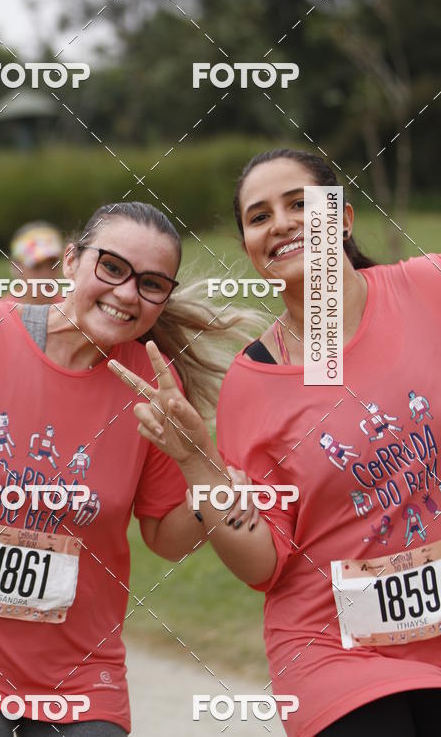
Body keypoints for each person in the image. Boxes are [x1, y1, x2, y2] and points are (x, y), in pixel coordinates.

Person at [0, 201, 261, 737]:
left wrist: (209, 482)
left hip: (82, 680)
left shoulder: (151, 388)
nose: (127, 293)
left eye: (152, 283)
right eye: (112, 267)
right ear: (71, 261)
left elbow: (165, 536)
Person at [110, 150, 441, 737]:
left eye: (298, 204)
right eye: (259, 217)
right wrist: (196, 461)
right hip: (335, 653)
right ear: (251, 248)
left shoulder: (427, 289)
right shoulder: (252, 385)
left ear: (340, 217)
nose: (281, 223)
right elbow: (263, 563)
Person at [3, 221, 64, 305]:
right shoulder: (0, 313)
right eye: (37, 266)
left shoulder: (74, 310)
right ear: (16, 267)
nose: (46, 274)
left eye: (52, 264)